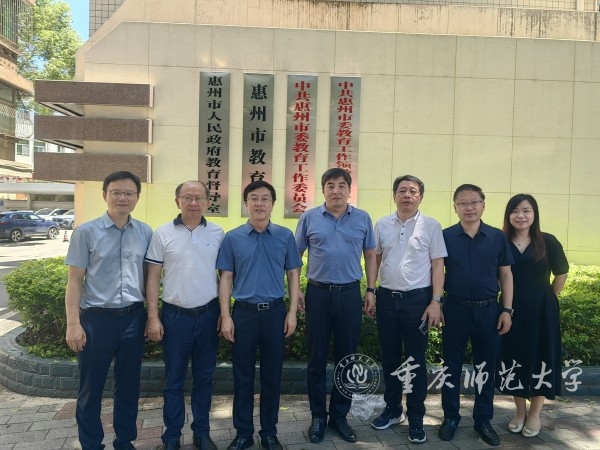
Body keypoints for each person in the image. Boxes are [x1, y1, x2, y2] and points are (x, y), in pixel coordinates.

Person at [65, 171, 153, 450]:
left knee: (128, 386)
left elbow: (151, 278)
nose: (122, 198)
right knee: (91, 388)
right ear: (105, 195)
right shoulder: (86, 232)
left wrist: (151, 316)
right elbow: (74, 281)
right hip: (96, 320)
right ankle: (91, 444)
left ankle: (124, 441)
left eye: (129, 193)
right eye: (116, 192)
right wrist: (73, 323)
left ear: (137, 198)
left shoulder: (146, 232)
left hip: (133, 318)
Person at [217, 180, 301, 450]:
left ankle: (269, 433)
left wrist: (291, 312)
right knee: (242, 376)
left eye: (265, 198)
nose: (259, 203)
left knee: (271, 377)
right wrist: (226, 315)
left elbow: (293, 274)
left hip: (275, 313)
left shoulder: (285, 236)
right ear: (246, 203)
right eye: (254, 198)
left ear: (273, 204)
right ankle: (243, 433)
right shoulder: (232, 238)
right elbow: (226, 277)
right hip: (244, 315)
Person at [295, 167, 377, 444]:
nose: (336, 190)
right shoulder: (309, 217)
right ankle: (318, 416)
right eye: (330, 185)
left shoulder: (362, 218)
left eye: (342, 185)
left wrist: (371, 289)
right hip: (317, 294)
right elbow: (296, 255)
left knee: (346, 358)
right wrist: (296, 291)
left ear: (349, 190)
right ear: (323, 190)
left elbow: (370, 255)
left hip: (350, 294)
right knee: (316, 358)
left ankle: (339, 416)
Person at [145, 181, 225, 450]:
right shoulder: (162, 233)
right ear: (177, 201)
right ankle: (171, 437)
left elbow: (225, 277)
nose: (193, 202)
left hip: (208, 315)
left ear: (207, 202)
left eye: (199, 198)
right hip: (175, 317)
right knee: (174, 380)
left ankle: (201, 432)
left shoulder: (218, 233)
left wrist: (224, 313)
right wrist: (153, 316)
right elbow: (153, 277)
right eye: (187, 197)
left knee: (204, 379)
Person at [371, 175, 447, 444]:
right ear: (394, 196)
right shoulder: (382, 224)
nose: (407, 195)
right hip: (386, 299)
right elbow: (375, 258)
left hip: (418, 301)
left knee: (415, 361)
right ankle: (393, 409)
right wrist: (371, 290)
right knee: (390, 358)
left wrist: (435, 301)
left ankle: (416, 416)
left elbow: (438, 265)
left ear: (420, 197)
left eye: (412, 191)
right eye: (402, 190)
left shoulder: (431, 226)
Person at [438, 184, 514, 447]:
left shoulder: (497, 237)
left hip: (489, 311)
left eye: (474, 202)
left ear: (483, 205)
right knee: (451, 366)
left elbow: (506, 274)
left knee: (486, 368)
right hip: (455, 309)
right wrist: (436, 304)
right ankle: (450, 418)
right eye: (463, 203)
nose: (469, 207)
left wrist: (507, 310)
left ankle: (483, 420)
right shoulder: (445, 236)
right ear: (455, 207)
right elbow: (436, 272)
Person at [496, 194, 568, 438]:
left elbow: (561, 272)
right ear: (508, 215)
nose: (521, 215)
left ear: (534, 214)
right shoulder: (501, 241)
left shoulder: (548, 241)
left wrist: (548, 297)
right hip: (510, 309)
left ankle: (535, 413)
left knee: (542, 357)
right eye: (515, 211)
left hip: (542, 310)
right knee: (514, 356)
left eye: (526, 210)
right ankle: (519, 412)